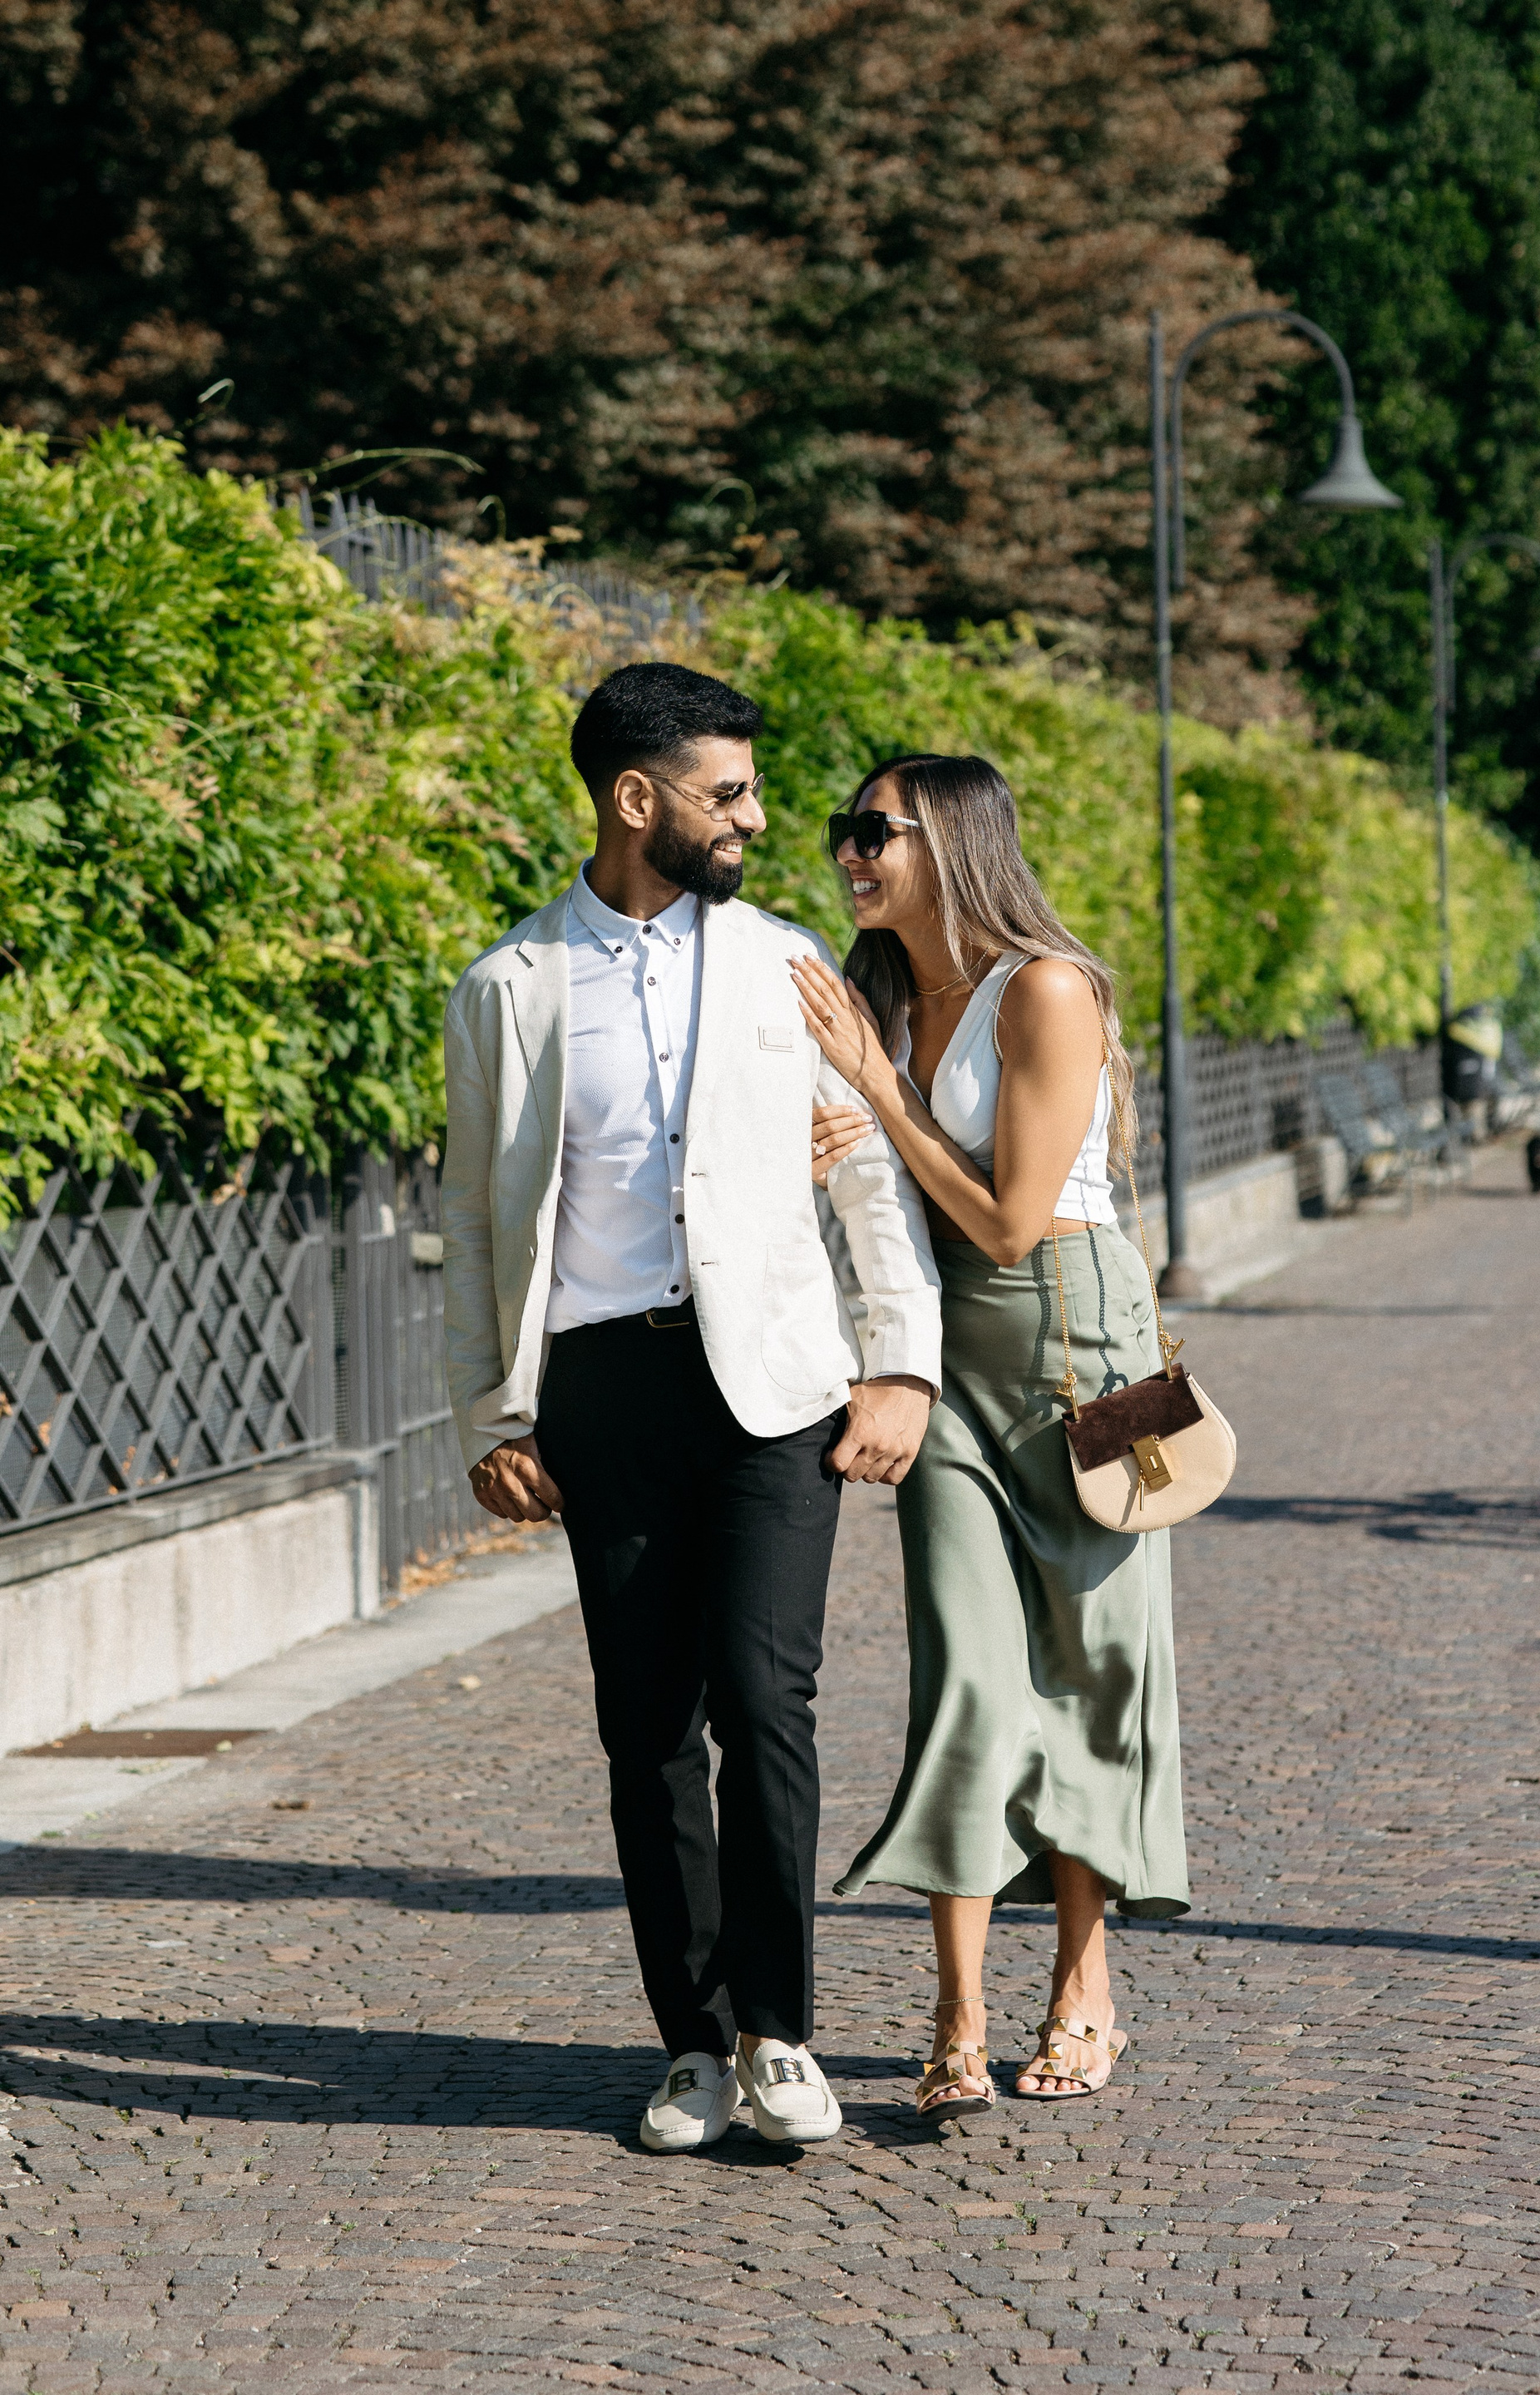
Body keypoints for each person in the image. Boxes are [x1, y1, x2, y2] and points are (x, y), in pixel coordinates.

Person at [440, 665, 942, 2154]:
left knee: (766, 1703)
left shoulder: (789, 964)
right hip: (602, 1390)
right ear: (633, 797)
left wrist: (900, 1362)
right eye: (729, 793)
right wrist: (493, 1417)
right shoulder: (510, 987)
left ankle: (782, 2033)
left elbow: (867, 1175)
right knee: (645, 1725)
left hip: (773, 1388)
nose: (757, 818)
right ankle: (694, 2046)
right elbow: (473, 1218)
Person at [792, 753, 1190, 2124]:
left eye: (875, 831)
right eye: (844, 831)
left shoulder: (1047, 990)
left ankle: (1083, 1988)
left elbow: (1017, 1222)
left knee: (1093, 1664)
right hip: (942, 1349)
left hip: (1084, 1336)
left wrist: (879, 1091)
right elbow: (880, 1182)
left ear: (954, 842)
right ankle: (956, 2012)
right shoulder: (875, 996)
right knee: (966, 1670)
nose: (850, 852)